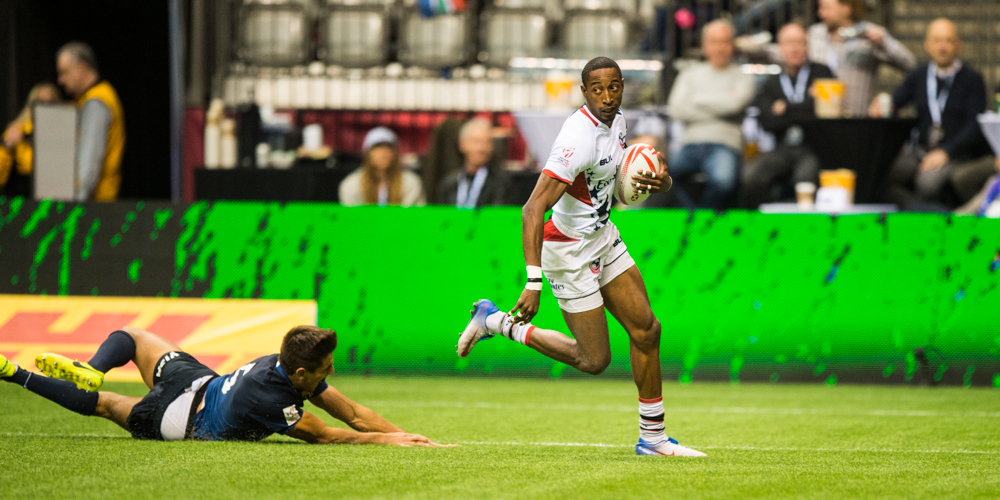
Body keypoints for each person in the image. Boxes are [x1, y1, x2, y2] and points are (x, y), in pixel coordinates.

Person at [456, 57, 705, 457]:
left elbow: (615, 186)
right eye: (597, 89)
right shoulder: (577, 139)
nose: (607, 97)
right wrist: (533, 280)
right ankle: (497, 322)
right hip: (567, 250)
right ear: (584, 91)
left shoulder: (618, 122)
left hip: (603, 237)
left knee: (647, 330)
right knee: (593, 360)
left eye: (614, 87)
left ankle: (653, 440)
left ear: (622, 87)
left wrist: (663, 182)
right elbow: (532, 208)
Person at [0, 325, 450, 446]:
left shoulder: (284, 364)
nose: (329, 373)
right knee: (104, 404)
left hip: (196, 379)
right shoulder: (272, 398)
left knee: (135, 338)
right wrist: (390, 444)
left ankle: (94, 365)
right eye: (325, 367)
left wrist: (402, 434)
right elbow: (329, 433)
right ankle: (15, 375)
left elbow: (350, 412)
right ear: (299, 376)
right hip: (179, 418)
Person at [872, 18, 994, 209]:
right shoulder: (919, 76)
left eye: (948, 41)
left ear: (958, 45)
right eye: (937, 41)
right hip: (921, 150)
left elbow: (974, 125)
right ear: (927, 45)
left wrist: (947, 152)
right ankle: (919, 212)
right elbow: (895, 101)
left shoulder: (972, 79)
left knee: (927, 183)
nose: (942, 47)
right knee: (880, 174)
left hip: (954, 152)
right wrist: (882, 104)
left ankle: (937, 218)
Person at [741, 24, 834, 209]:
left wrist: (785, 108)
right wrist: (806, 103)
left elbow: (824, 114)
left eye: (800, 42)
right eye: (790, 43)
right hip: (782, 148)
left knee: (805, 180)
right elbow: (766, 122)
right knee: (750, 178)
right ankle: (762, 227)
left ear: (807, 46)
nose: (795, 48)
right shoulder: (773, 81)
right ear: (780, 48)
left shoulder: (822, 72)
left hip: (813, 146)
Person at [667, 20, 755, 209]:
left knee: (724, 181)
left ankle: (702, 218)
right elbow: (676, 109)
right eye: (714, 42)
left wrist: (697, 100)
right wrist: (721, 105)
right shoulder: (689, 74)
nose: (720, 48)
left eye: (725, 42)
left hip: (725, 145)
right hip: (690, 143)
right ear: (705, 45)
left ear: (732, 45)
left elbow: (734, 105)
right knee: (663, 179)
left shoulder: (743, 77)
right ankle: (694, 215)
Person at [808, 0, 915, 117]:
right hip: (820, 120)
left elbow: (910, 64)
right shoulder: (814, 34)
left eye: (826, 8)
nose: (821, 14)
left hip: (857, 119)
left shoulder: (869, 33)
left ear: (846, 8)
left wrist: (884, 43)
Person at [56, 42, 126, 202]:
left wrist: (76, 206)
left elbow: (89, 164)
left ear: (81, 68)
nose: (61, 80)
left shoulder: (96, 102)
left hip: (94, 208)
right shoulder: (92, 98)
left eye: (64, 72)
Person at [338, 127, 425, 207]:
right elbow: (351, 218)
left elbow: (414, 217)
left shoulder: (410, 183)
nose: (383, 153)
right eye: (377, 148)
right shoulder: (351, 185)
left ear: (396, 153)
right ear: (367, 153)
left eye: (388, 147)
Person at [0, 83, 61, 197]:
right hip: (19, 200)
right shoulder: (17, 131)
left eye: (50, 103)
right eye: (40, 102)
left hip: (51, 199)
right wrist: (7, 146)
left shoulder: (63, 135)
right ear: (31, 105)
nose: (44, 107)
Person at [436, 118, 509, 208]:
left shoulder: (501, 183)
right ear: (462, 144)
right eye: (475, 142)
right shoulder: (449, 183)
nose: (481, 148)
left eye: (486, 142)